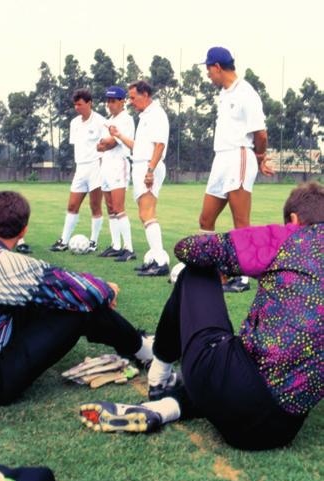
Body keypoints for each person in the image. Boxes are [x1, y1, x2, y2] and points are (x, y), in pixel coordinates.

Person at [80, 182, 323, 451]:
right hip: (279, 431)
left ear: (294, 219)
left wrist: (230, 266)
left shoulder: (292, 236)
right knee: (254, 379)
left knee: (196, 271)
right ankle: (163, 409)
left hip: (231, 384)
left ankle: (158, 378)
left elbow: (189, 249)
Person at [0, 191, 153, 408]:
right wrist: (108, 290)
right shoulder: (3, 264)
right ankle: (142, 349)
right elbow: (84, 291)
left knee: (43, 298)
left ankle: (136, 343)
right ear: (23, 230)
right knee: (80, 308)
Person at [199, 47, 274, 293]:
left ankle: (242, 278)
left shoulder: (246, 93)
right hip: (221, 159)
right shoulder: (224, 93)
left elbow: (260, 133)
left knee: (240, 221)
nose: (208, 74)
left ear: (217, 67)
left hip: (239, 156)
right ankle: (209, 273)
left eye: (208, 68)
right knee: (206, 219)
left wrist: (259, 156)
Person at [109, 80, 170, 277]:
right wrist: (118, 135)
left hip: (147, 166)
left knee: (147, 213)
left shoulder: (157, 114)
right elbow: (138, 146)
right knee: (145, 214)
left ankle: (160, 262)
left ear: (145, 94)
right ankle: (154, 259)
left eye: (133, 98)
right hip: (141, 163)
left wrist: (150, 170)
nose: (131, 102)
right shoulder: (145, 116)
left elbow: (159, 146)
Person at [50, 89, 105, 253]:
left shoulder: (101, 122)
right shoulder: (74, 123)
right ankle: (64, 241)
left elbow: (106, 146)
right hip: (80, 168)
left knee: (95, 206)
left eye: (80, 104)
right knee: (72, 205)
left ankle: (93, 241)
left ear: (89, 103)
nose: (77, 107)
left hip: (96, 166)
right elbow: (78, 147)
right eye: (75, 105)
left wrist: (103, 168)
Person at [97, 86, 136, 262]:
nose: (110, 104)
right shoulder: (107, 121)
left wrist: (107, 142)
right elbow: (100, 145)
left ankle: (129, 248)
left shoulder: (126, 119)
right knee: (110, 208)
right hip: (105, 164)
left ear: (122, 101)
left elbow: (112, 143)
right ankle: (116, 245)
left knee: (119, 207)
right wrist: (105, 143)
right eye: (108, 101)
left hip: (119, 163)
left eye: (113, 101)